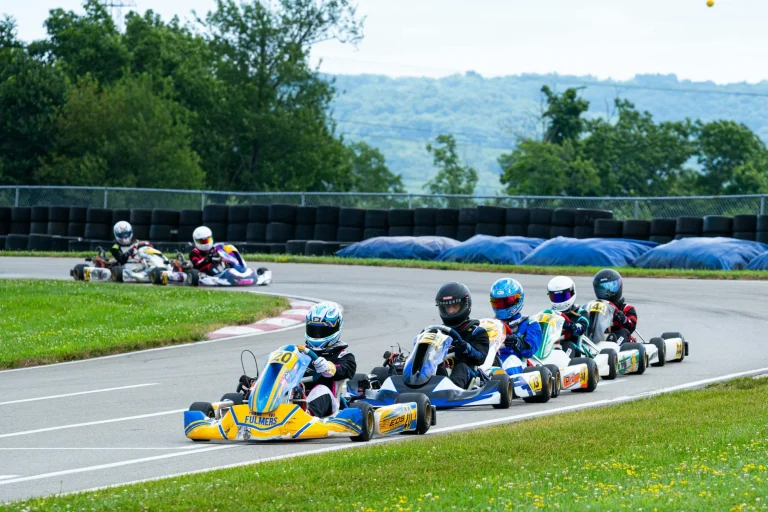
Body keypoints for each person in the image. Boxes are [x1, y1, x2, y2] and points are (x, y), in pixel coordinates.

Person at [301, 302, 357, 417]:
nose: (317, 335)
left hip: (329, 405)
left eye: (322, 331)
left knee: (320, 389)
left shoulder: (344, 356)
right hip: (297, 397)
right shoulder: (299, 354)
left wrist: (329, 367)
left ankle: (307, 415)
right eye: (313, 330)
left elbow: (344, 370)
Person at [434, 282, 490, 389]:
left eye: (454, 306)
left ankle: (449, 390)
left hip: (467, 372)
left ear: (465, 305)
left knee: (461, 367)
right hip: (441, 368)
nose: (450, 312)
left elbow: (480, 358)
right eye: (447, 307)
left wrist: (467, 349)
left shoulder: (477, 332)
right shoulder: (437, 332)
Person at [489, 278, 542, 374]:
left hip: (517, 364)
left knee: (511, 360)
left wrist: (517, 342)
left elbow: (530, 350)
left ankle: (503, 383)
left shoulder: (530, 324)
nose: (502, 306)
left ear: (518, 300)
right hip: (492, 363)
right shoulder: (490, 325)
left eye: (506, 302)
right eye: (498, 303)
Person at [547, 276, 590, 357]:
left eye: (563, 297)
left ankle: (562, 365)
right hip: (549, 347)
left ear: (572, 293)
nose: (559, 301)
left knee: (568, 345)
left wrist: (570, 325)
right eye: (555, 298)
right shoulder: (549, 314)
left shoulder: (581, 313)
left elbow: (581, 329)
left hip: (573, 348)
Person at [593, 269, 637, 345]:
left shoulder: (626, 308)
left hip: (621, 341)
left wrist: (623, 319)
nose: (607, 293)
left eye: (611, 288)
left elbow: (631, 327)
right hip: (600, 339)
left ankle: (614, 348)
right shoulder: (596, 308)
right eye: (603, 289)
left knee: (624, 332)